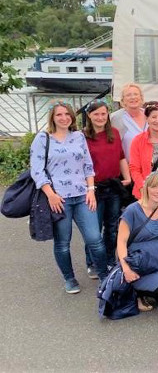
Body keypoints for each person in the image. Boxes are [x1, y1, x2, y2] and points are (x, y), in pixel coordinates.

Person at [32, 102, 108, 293]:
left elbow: (88, 165)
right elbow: (37, 171)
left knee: (95, 239)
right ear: (53, 117)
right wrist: (51, 195)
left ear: (72, 117)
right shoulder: (43, 139)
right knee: (63, 243)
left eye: (67, 114)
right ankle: (69, 279)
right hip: (59, 200)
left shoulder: (78, 136)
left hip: (82, 195)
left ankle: (104, 276)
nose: (64, 118)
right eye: (59, 115)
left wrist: (91, 190)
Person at [116, 172, 158, 312]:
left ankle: (147, 287)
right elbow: (121, 242)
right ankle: (135, 291)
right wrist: (126, 269)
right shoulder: (132, 210)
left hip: (157, 265)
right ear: (146, 188)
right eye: (154, 187)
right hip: (138, 266)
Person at [83, 99, 131, 280]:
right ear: (89, 115)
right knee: (94, 229)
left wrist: (127, 177)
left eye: (103, 113)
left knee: (112, 227)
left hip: (113, 186)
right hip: (94, 188)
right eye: (96, 114)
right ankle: (93, 262)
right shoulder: (83, 137)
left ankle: (110, 259)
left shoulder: (115, 133)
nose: (100, 117)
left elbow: (121, 157)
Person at [110, 83, 147, 160]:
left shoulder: (150, 114)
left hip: (152, 168)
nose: (133, 97)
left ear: (141, 97)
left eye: (136, 94)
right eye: (128, 95)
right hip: (128, 168)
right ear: (123, 100)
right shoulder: (115, 118)